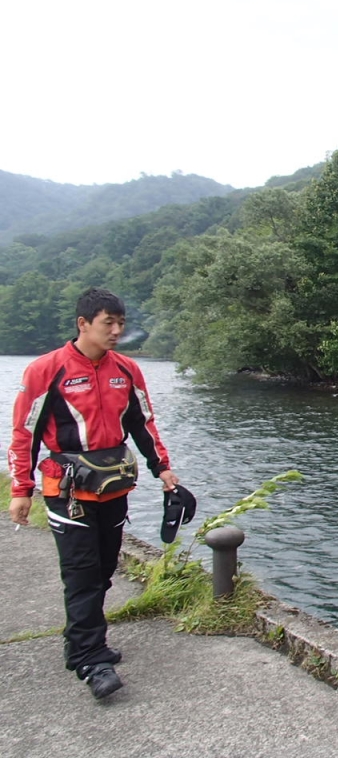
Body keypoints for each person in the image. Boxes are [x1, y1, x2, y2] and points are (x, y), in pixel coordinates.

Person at [7, 287, 180, 699]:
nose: (117, 331)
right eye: (109, 323)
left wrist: (163, 469)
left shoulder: (127, 370)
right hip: (67, 489)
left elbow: (144, 424)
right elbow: (23, 434)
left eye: (121, 323)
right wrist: (21, 489)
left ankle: (82, 638)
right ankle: (90, 658)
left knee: (103, 569)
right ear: (83, 324)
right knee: (82, 573)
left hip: (113, 486)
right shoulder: (46, 371)